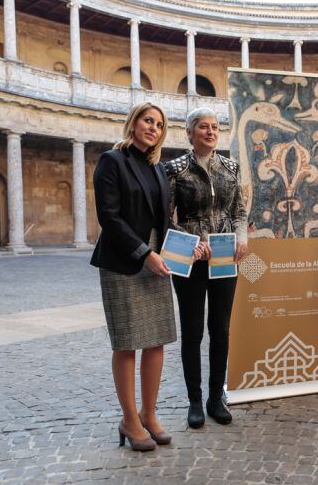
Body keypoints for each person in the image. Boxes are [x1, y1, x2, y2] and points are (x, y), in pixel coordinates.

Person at [90, 102, 178, 451]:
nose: (153, 127)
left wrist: (188, 246)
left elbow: (164, 219)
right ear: (133, 122)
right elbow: (109, 218)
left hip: (157, 255)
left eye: (159, 124)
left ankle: (149, 414)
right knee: (127, 342)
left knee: (156, 339)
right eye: (147, 120)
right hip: (125, 259)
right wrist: (145, 254)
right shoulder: (112, 161)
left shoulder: (156, 168)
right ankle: (129, 419)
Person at [165, 107, 248, 429]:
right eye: (203, 127)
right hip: (190, 258)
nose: (210, 132)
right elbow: (165, 216)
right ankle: (195, 401)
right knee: (192, 331)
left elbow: (239, 210)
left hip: (225, 255)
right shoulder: (175, 169)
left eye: (214, 127)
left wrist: (242, 238)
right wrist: (191, 241)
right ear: (189, 132)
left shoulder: (230, 167)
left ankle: (216, 397)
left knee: (221, 329)